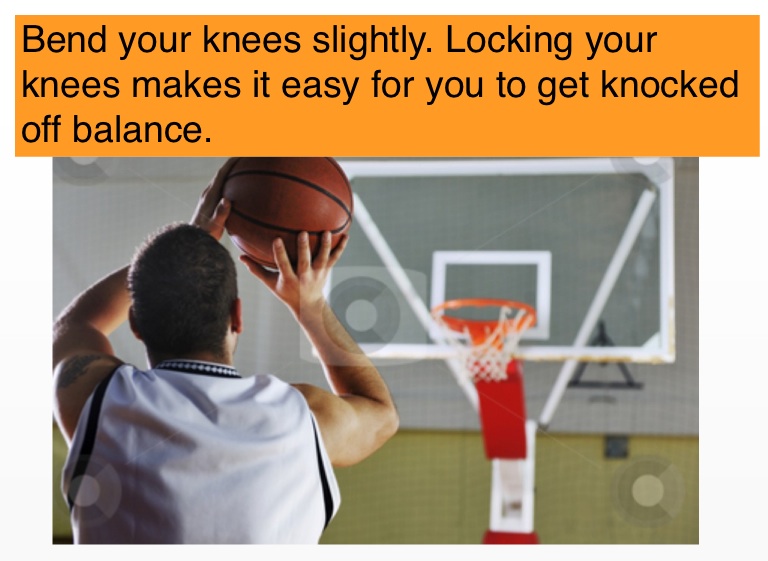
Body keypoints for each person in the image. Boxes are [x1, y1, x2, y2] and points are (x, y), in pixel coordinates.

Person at [52, 159, 399, 544]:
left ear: (135, 321)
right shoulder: (302, 419)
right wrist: (310, 306)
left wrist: (191, 238)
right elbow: (381, 414)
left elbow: (76, 324)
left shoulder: (99, 399)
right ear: (237, 316)